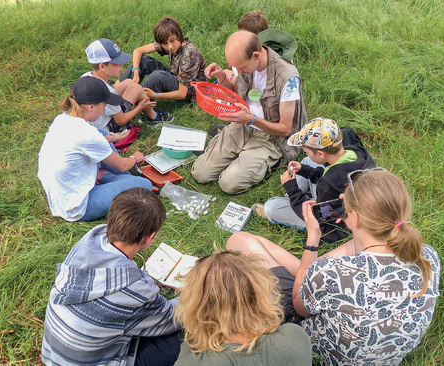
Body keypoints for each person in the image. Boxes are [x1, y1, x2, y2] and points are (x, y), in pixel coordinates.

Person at [226, 170, 441, 365]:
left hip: (316, 353)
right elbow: (361, 252)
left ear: (353, 217)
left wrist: (313, 238)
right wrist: (355, 218)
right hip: (383, 358)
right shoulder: (427, 255)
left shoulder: (329, 272)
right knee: (309, 270)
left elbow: (299, 307)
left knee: (240, 240)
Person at [41, 188, 183, 366]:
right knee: (185, 336)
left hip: (54, 356)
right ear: (148, 238)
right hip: (90, 362)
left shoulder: (90, 240)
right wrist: (196, 290)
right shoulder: (137, 287)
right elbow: (172, 318)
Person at [192, 31, 308, 194]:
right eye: (235, 67)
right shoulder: (245, 65)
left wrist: (252, 119)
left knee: (229, 184)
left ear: (255, 55)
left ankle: (270, 161)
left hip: (271, 138)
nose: (238, 71)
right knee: (200, 173)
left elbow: (285, 129)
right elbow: (233, 92)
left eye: (241, 67)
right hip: (242, 127)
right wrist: (221, 77)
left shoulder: (288, 78)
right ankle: (237, 152)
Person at [37, 76, 152, 222]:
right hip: (78, 206)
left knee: (101, 133)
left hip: (62, 194)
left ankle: (105, 175)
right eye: (103, 106)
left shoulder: (62, 119)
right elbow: (122, 166)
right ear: (91, 107)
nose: (104, 109)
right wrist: (135, 158)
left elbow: (84, 142)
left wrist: (105, 140)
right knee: (143, 185)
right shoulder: (87, 134)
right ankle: (105, 176)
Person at [173, 250, 312, 366]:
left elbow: (191, 347)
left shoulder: (190, 362)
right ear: (260, 292)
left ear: (197, 307)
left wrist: (190, 333)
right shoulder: (294, 338)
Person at [252, 117, 375, 244]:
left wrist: (292, 189)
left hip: (336, 223)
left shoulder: (328, 184)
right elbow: (334, 177)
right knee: (307, 162)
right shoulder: (357, 152)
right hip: (339, 201)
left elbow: (318, 218)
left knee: (271, 207)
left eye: (306, 152)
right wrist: (305, 170)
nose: (306, 154)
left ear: (321, 154)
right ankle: (297, 199)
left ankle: (291, 201)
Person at [83, 38, 173, 133]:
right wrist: (139, 107)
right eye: (116, 63)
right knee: (136, 88)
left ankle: (150, 115)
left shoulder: (86, 76)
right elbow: (121, 121)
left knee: (128, 82)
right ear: (102, 66)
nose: (121, 64)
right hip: (109, 128)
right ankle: (154, 118)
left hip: (97, 120)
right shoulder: (107, 91)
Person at [119, 16, 207, 102]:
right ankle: (116, 90)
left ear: (179, 34)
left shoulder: (188, 55)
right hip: (177, 77)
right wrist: (136, 73)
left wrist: (155, 95)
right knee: (143, 60)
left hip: (190, 91)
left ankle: (128, 101)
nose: (170, 47)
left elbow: (182, 94)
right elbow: (138, 51)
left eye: (172, 41)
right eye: (165, 43)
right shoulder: (172, 44)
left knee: (157, 77)